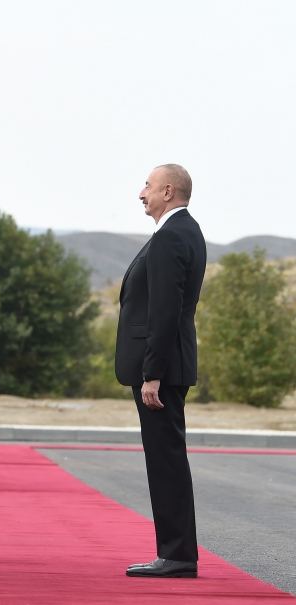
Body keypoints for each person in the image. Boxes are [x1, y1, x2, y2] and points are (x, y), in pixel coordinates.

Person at [117, 164, 205, 579]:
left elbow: (165, 311)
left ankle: (177, 555)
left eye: (148, 186)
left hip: (162, 371)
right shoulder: (185, 231)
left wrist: (152, 373)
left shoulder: (171, 235)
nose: (141, 193)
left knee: (165, 461)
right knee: (167, 459)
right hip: (169, 365)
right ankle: (176, 552)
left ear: (168, 192)